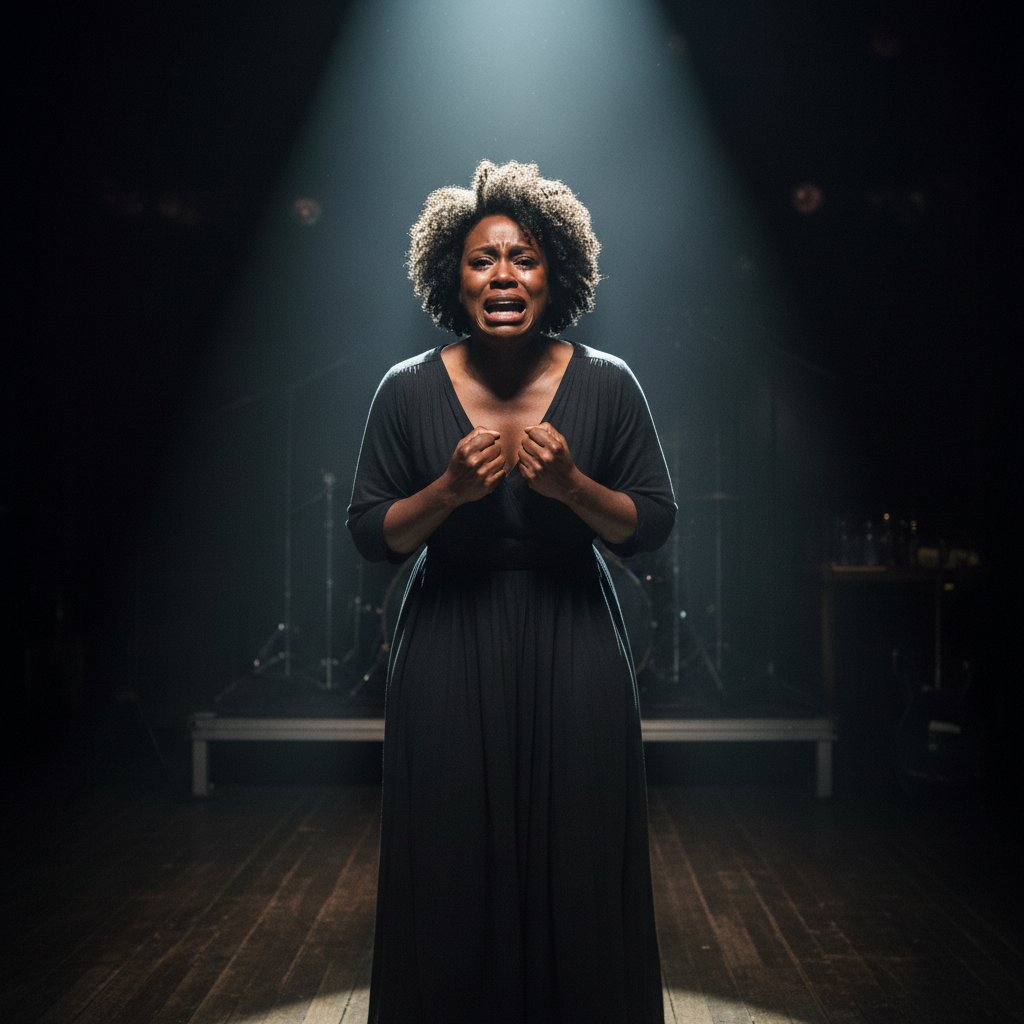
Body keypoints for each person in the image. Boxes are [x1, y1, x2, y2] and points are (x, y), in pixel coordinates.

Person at [347, 159, 676, 1024]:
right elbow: (370, 534)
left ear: (554, 274)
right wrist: (448, 493)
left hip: (576, 644)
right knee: (449, 854)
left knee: (581, 847)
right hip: (449, 644)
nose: (503, 275)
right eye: (482, 260)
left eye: (523, 258)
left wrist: (572, 486)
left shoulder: (608, 382)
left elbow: (651, 522)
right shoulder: (405, 390)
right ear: (451, 280)